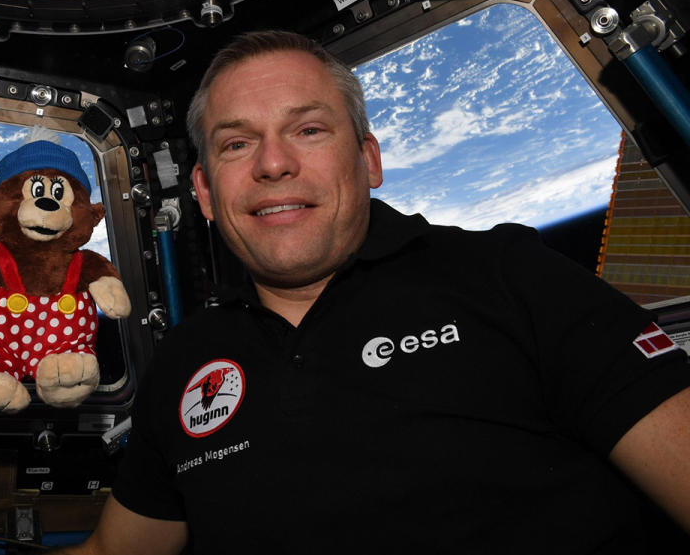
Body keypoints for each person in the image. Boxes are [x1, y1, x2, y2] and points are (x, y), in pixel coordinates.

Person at [65, 31, 690, 554]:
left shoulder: (509, 276)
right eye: (236, 143)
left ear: (368, 160)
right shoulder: (183, 360)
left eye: (308, 130)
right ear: (204, 192)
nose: (273, 163)